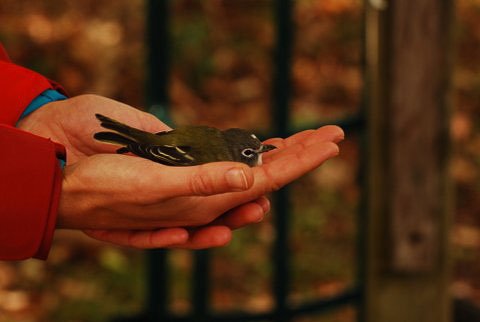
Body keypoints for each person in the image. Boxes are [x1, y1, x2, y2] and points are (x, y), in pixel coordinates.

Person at [0, 43, 344, 261]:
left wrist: (33, 111)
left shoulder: (217, 141)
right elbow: (169, 152)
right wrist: (55, 190)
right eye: (250, 153)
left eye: (257, 150)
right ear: (234, 154)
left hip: (162, 144)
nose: (259, 156)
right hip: (163, 151)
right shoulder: (215, 158)